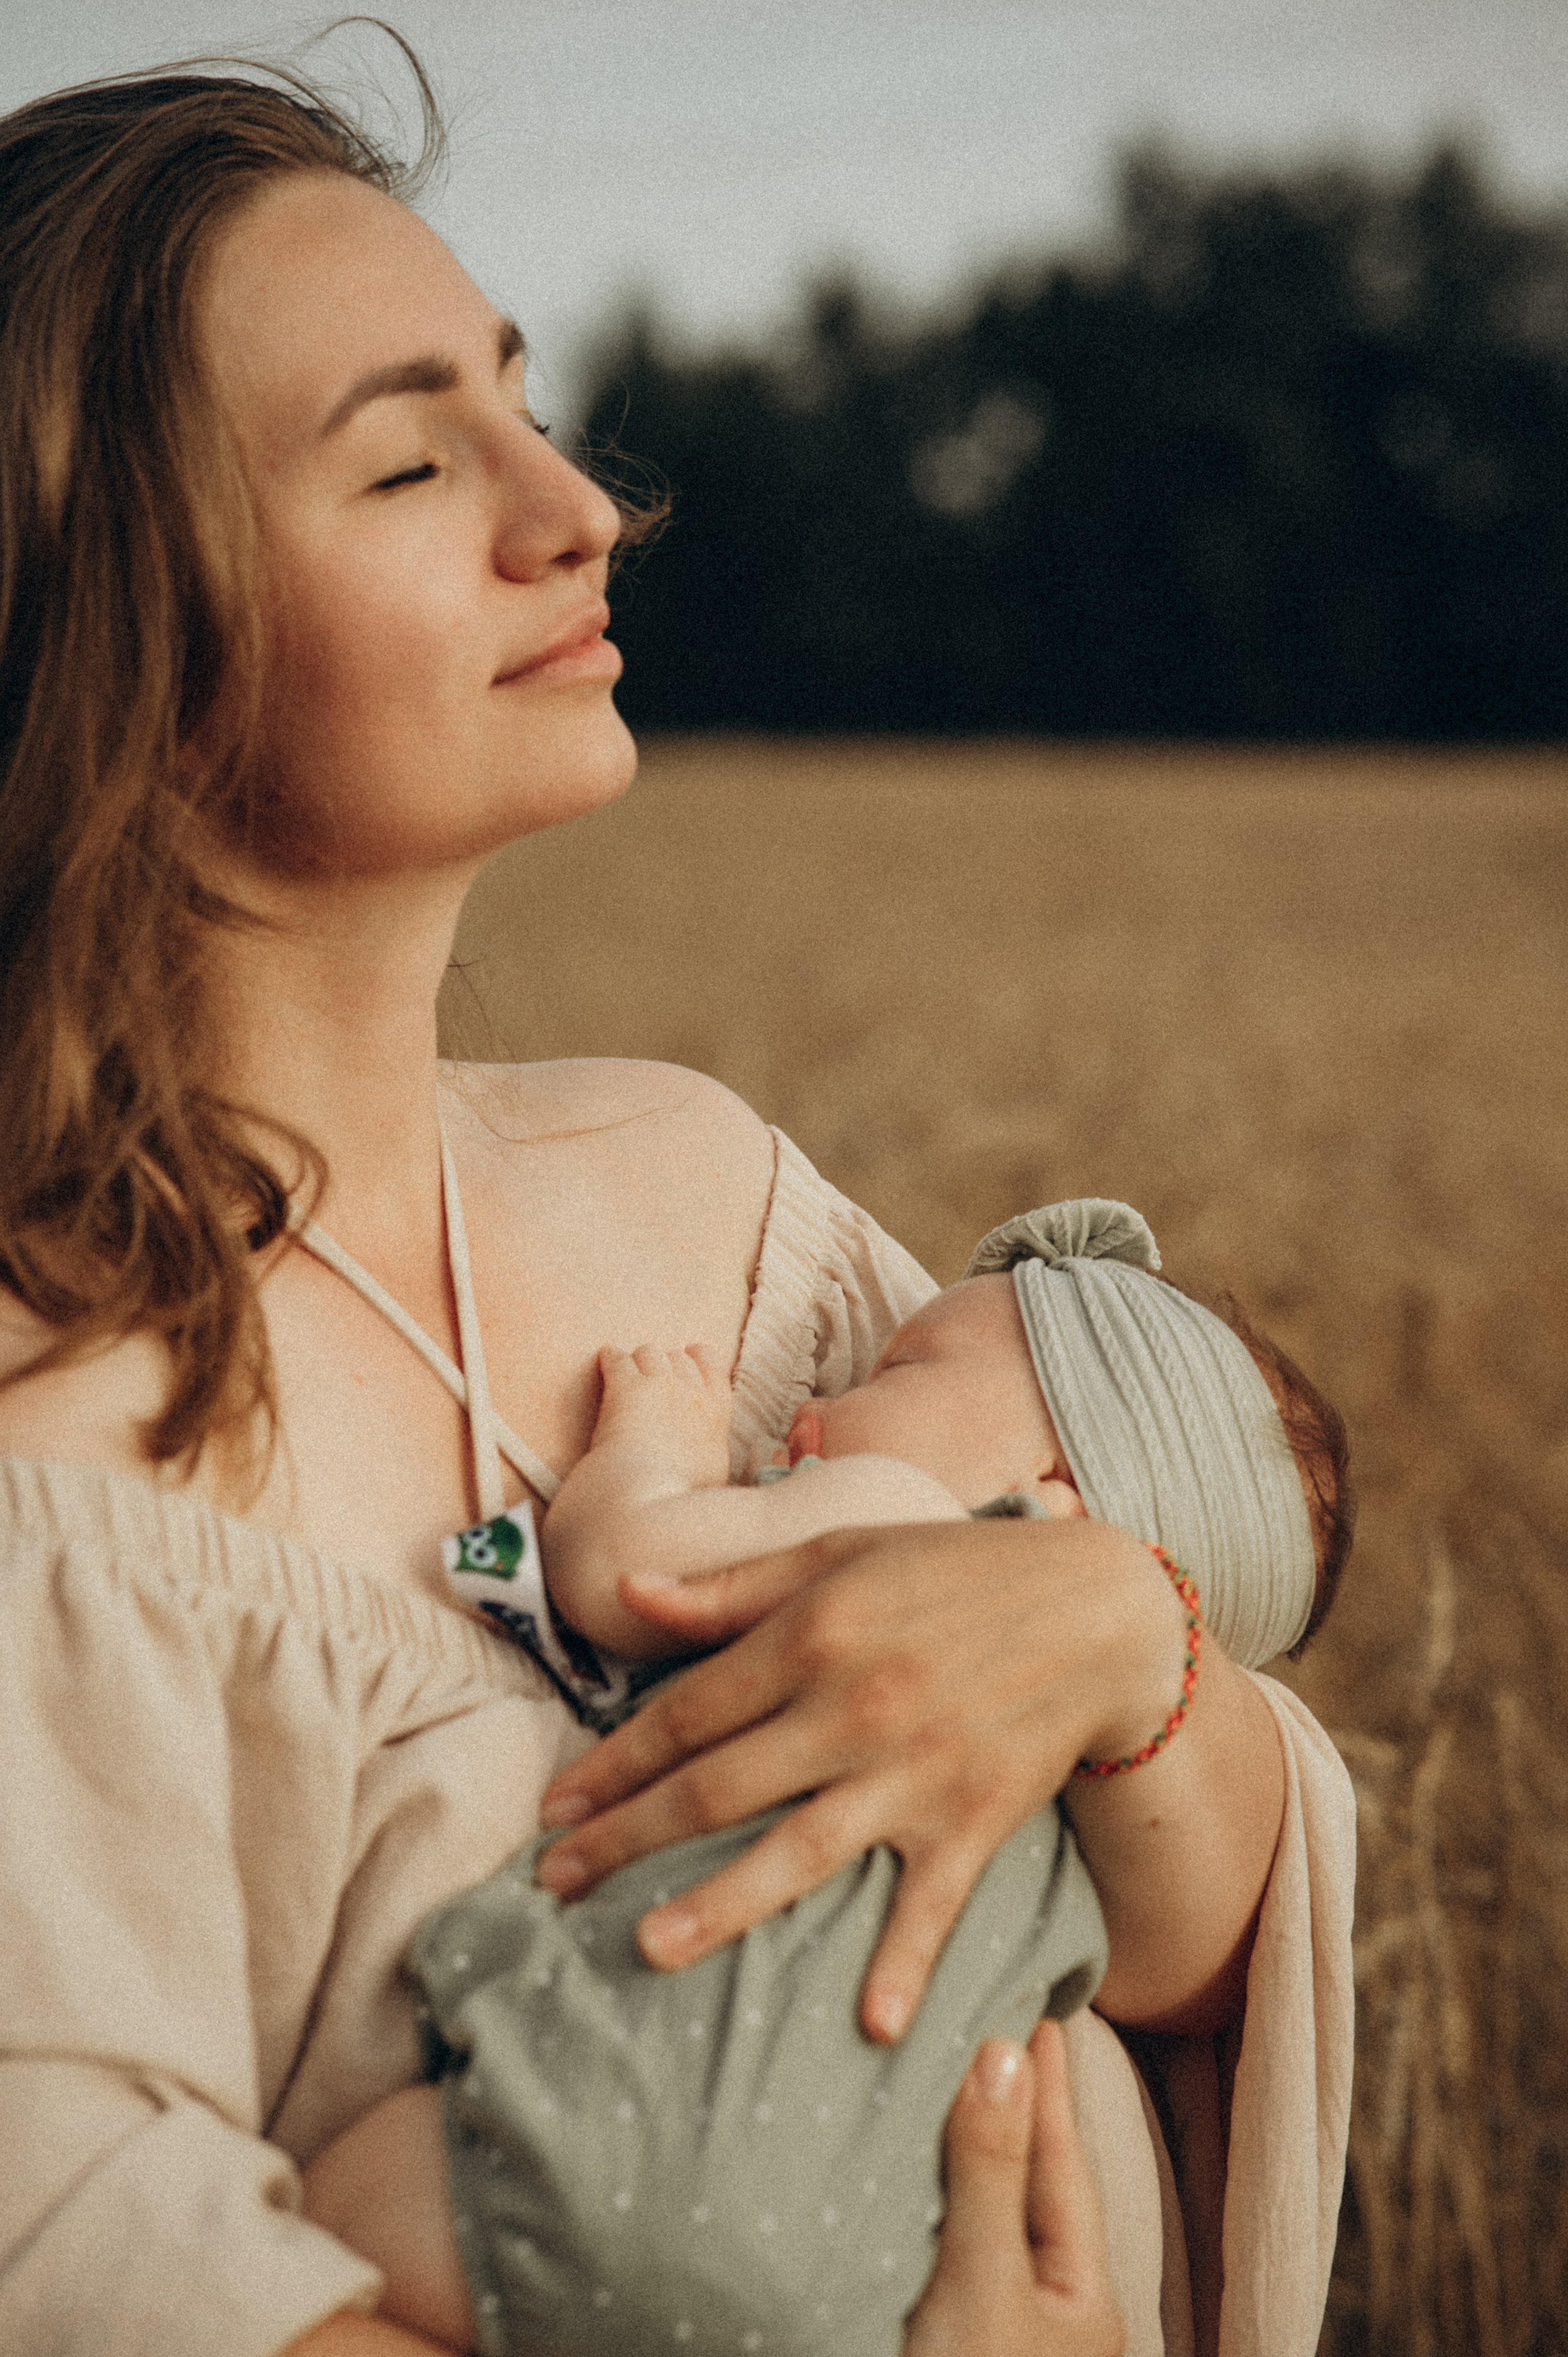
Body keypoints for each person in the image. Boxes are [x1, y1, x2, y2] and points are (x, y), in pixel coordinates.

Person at [0, 49, 1353, 2357]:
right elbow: (75, 2254)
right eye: (413, 461)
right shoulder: (50, 1439)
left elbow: (1210, 1967)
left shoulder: (712, 1193)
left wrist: (1123, 1658)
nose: (580, 509)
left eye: (529, 409)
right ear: (112, 613)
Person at [297, 1197, 1349, 2357]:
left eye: (902, 1367)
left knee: (326, 2221)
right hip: (858, 2281)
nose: (828, 1399)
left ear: (1057, 1479)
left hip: (614, 2142)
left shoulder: (910, 1521)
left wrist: (654, 1446)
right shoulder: (1088, 1810)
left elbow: (625, 1572)